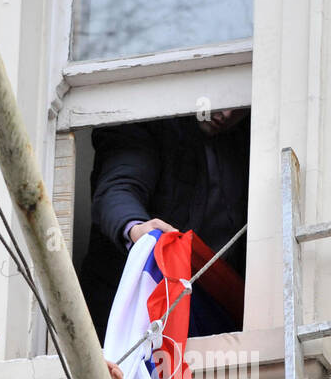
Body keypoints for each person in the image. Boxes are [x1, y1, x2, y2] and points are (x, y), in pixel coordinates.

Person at [79, 107, 250, 339]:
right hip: (128, 321)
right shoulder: (151, 113)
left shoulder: (251, 139)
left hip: (218, 316)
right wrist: (137, 229)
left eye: (238, 109)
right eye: (221, 99)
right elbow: (119, 187)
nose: (226, 114)